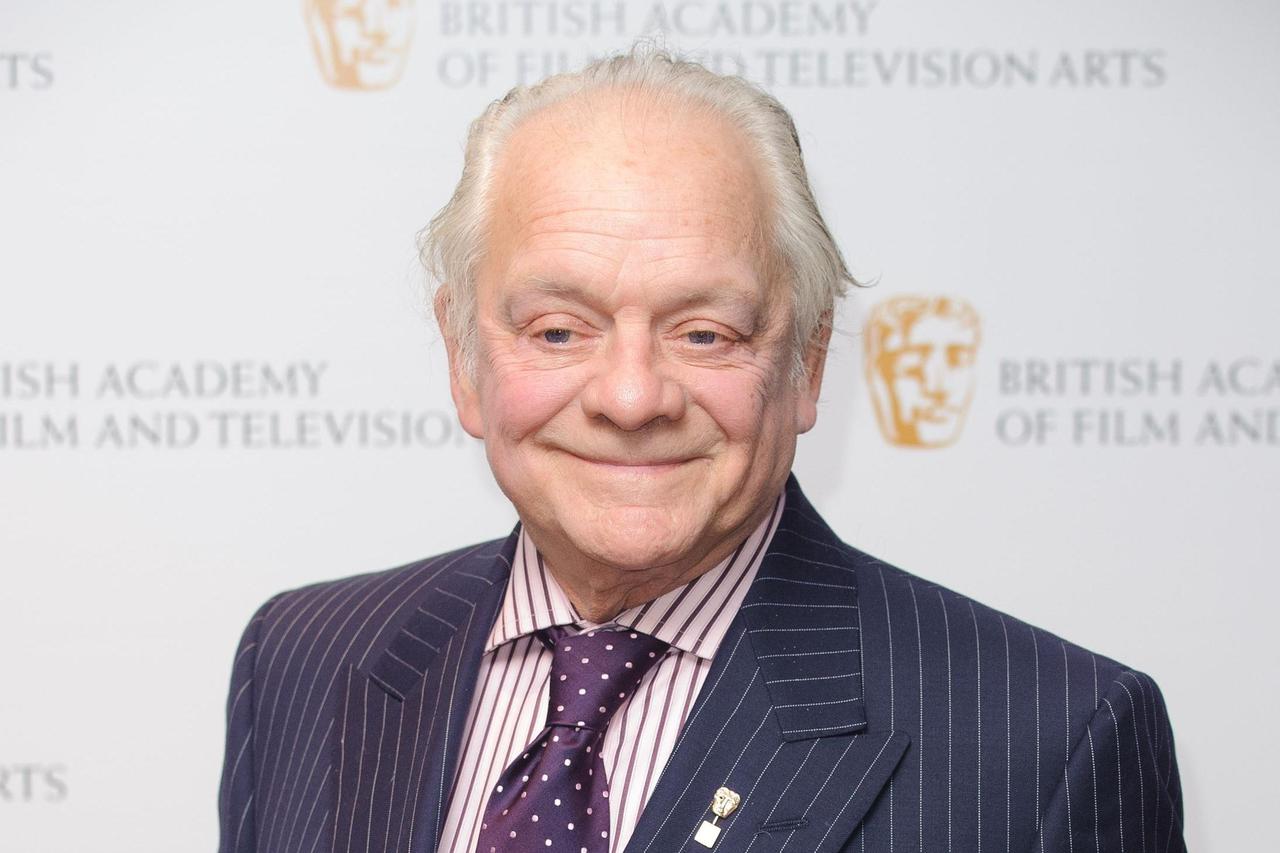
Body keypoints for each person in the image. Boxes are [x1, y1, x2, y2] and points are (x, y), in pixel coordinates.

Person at [217, 46, 1185, 853]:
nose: (631, 396)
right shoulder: (302, 658)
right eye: (558, 329)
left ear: (805, 362)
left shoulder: (1047, 738)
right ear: (463, 356)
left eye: (704, 332)